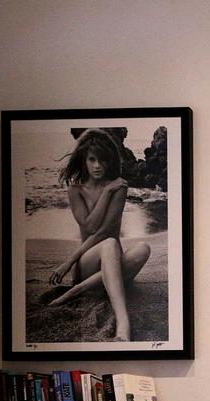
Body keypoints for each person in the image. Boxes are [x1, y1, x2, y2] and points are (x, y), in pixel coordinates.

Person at [48, 128, 151, 341]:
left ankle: (76, 291)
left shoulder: (119, 186)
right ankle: (123, 322)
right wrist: (106, 193)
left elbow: (105, 230)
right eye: (92, 159)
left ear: (109, 161)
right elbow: (91, 226)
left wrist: (109, 189)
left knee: (143, 248)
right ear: (84, 160)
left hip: (113, 262)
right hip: (87, 264)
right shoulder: (76, 190)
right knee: (110, 243)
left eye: (103, 160)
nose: (97, 165)